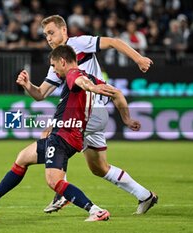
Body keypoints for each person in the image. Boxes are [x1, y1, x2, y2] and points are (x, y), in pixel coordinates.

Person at [17, 15, 157, 215]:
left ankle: (61, 191)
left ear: (63, 30)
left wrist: (138, 59)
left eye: (51, 32)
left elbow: (114, 42)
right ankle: (145, 195)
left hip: (90, 111)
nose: (48, 38)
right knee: (99, 168)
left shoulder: (78, 43)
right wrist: (27, 85)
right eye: (45, 34)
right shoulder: (56, 63)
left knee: (50, 134)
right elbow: (40, 94)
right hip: (90, 116)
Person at [0, 45, 122, 222]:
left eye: (54, 66)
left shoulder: (74, 74)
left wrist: (91, 88)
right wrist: (127, 118)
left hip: (63, 138)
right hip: (65, 134)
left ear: (63, 61)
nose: (54, 70)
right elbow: (113, 92)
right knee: (23, 157)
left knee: (54, 181)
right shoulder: (90, 76)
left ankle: (96, 211)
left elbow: (82, 83)